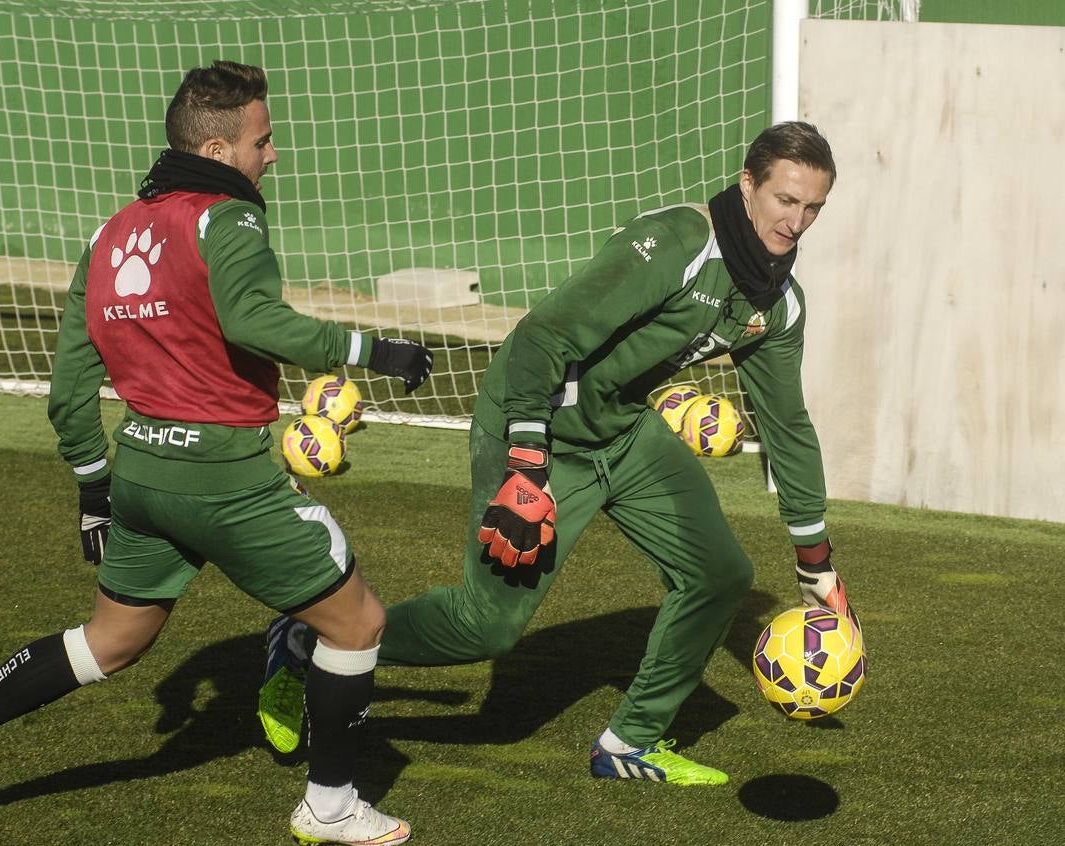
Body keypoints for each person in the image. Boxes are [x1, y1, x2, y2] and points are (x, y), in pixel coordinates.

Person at [0, 60, 432, 846]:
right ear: (216, 148)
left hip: (140, 471)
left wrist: (92, 484)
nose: (271, 156)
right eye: (261, 141)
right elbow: (252, 321)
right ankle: (331, 804)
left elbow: (70, 385)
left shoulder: (109, 233)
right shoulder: (228, 220)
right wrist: (371, 348)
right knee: (358, 623)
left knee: (111, 642)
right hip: (226, 480)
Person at [258, 121, 855, 785]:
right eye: (784, 200)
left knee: (720, 576)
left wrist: (816, 566)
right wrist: (525, 463)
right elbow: (543, 339)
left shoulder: (776, 304)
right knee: (486, 628)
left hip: (624, 432)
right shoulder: (675, 246)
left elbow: (787, 426)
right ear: (748, 185)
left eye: (812, 209)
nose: (796, 221)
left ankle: (629, 742)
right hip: (535, 421)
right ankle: (314, 637)